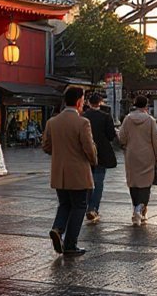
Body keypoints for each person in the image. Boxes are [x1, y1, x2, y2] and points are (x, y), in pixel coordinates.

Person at [42, 87, 97, 256]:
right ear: (80, 101)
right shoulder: (82, 123)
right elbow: (88, 148)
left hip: (60, 172)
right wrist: (94, 160)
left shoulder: (52, 122)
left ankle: (58, 229)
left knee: (64, 203)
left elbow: (46, 146)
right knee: (79, 205)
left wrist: (59, 153)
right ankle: (70, 244)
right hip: (79, 171)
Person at [118, 96, 157, 227]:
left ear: (135, 104)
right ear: (146, 106)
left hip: (131, 155)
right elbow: (156, 140)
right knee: (146, 185)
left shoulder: (127, 119)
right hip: (147, 156)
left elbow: (121, 138)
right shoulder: (150, 120)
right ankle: (140, 209)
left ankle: (136, 209)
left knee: (134, 183)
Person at [82, 93, 117, 225]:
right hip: (101, 153)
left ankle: (88, 206)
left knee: (88, 182)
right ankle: (93, 208)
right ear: (100, 102)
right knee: (99, 182)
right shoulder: (106, 116)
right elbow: (111, 135)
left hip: (85, 152)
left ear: (89, 103)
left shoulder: (83, 117)